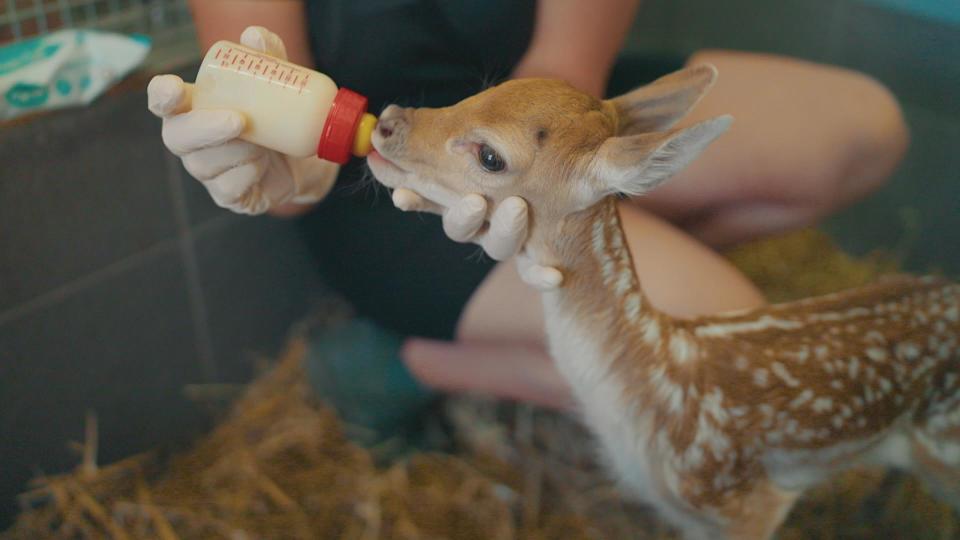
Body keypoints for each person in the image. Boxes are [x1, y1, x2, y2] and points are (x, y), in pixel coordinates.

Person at [147, 0, 908, 437]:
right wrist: (291, 169)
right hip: (390, 173)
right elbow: (278, 140)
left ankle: (609, 287)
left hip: (536, 120)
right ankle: (406, 360)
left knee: (863, 130)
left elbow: (564, 71)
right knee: (719, 368)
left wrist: (550, 180)